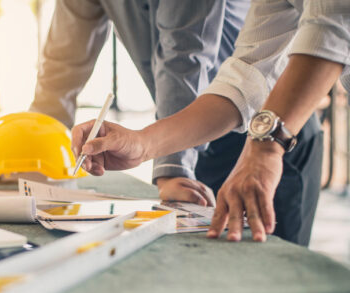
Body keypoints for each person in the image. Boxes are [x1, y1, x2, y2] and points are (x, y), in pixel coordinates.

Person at [71, 1, 350, 281]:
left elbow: (334, 30)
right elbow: (246, 76)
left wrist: (264, 148)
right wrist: (143, 143)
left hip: (288, 141)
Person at [30, 0, 324, 246]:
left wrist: (173, 168)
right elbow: (62, 63)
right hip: (189, 134)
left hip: (271, 134)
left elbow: (184, 56)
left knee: (272, 284)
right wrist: (33, 149)